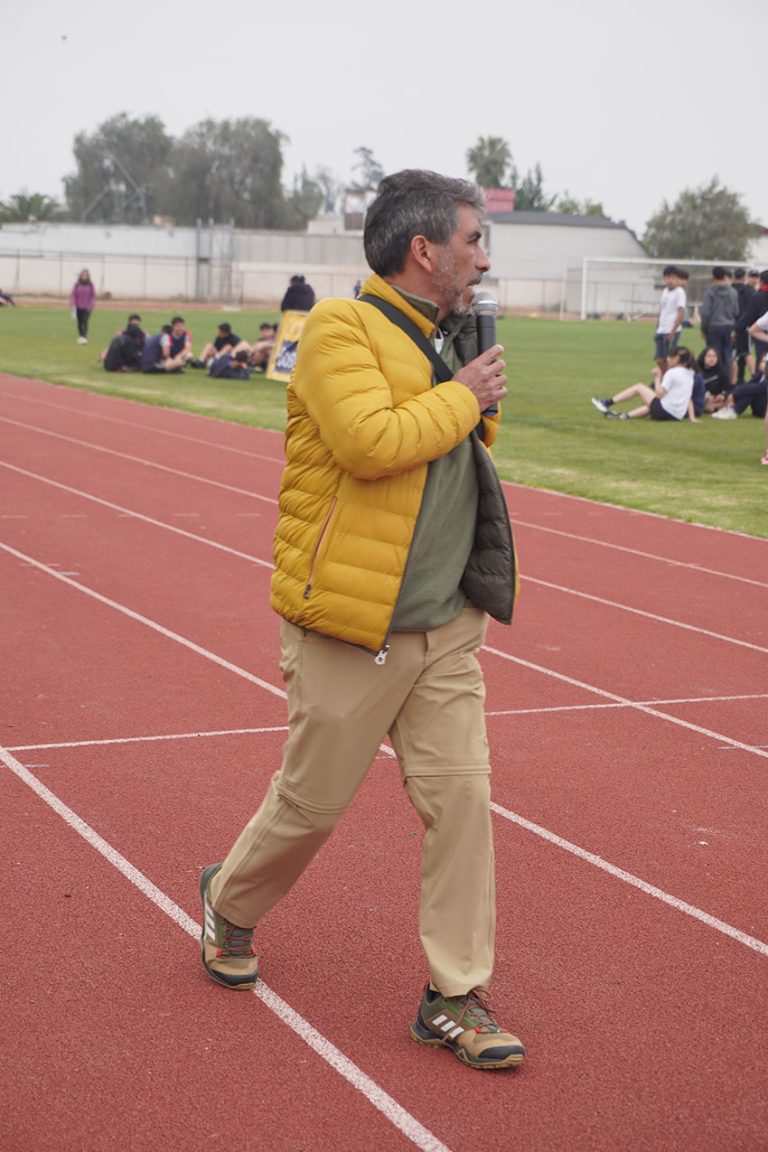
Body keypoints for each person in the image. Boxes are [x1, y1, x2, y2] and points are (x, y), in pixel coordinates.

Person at [198, 168, 525, 1072]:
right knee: (311, 806)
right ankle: (229, 902)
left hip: (446, 624)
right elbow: (369, 443)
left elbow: (458, 448)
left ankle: (455, 994)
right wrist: (463, 392)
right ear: (425, 249)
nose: (483, 259)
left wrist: (467, 390)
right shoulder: (339, 328)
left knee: (462, 801)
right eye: (473, 240)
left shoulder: (450, 336)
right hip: (354, 625)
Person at [591, 346, 697, 421]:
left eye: (669, 357)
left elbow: (660, 394)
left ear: (677, 359)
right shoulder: (690, 374)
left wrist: (657, 378)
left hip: (664, 412)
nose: (667, 359)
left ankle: (607, 402)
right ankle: (623, 416)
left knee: (639, 387)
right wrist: (692, 417)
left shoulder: (672, 373)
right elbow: (688, 397)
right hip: (677, 416)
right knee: (651, 404)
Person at [700, 266, 739, 377]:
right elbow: (736, 311)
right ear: (725, 276)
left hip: (714, 327)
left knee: (714, 355)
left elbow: (706, 313)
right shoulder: (733, 292)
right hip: (729, 326)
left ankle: (715, 379)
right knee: (727, 355)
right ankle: (725, 380)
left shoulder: (710, 292)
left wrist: (703, 329)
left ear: (713, 276)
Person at [711, 353, 767, 420]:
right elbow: (747, 385)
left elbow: (759, 388)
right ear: (759, 364)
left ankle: (733, 411)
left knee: (750, 391)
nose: (766, 364)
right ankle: (730, 409)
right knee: (747, 389)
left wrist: (733, 394)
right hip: (760, 409)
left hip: (765, 410)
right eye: (763, 362)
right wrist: (727, 395)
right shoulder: (760, 375)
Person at [654, 266, 686, 370]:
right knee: (659, 359)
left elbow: (681, 311)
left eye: (673, 278)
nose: (670, 280)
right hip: (661, 329)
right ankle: (665, 376)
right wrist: (658, 327)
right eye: (668, 278)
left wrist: (673, 330)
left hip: (671, 329)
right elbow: (662, 309)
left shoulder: (679, 292)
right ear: (664, 278)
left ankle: (671, 377)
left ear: (677, 279)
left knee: (670, 358)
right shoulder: (665, 291)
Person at [694, 346, 730, 412]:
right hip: (702, 397)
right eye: (709, 356)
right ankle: (709, 407)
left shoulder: (721, 371)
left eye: (714, 356)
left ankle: (711, 407)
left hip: (716, 399)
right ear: (703, 357)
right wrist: (706, 395)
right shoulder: (697, 371)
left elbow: (729, 388)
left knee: (731, 398)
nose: (712, 359)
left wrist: (723, 395)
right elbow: (693, 388)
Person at [70, 269, 95, 344]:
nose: (84, 276)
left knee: (85, 321)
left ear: (88, 276)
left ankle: (84, 336)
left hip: (87, 307)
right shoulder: (77, 284)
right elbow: (73, 295)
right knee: (79, 322)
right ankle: (80, 335)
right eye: (83, 275)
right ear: (81, 276)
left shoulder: (90, 285)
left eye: (86, 275)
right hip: (78, 306)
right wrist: (73, 304)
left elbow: (92, 296)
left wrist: (90, 306)